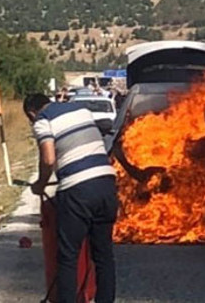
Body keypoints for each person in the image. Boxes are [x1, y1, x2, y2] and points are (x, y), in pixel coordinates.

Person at [23, 94, 118, 303]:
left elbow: (48, 159)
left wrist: (40, 184)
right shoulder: (80, 110)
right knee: (103, 256)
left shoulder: (43, 120)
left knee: (68, 257)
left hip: (77, 191)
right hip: (106, 184)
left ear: (31, 113)